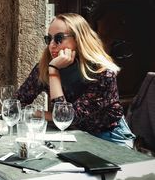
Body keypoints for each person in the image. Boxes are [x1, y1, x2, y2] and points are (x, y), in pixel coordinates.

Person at [15, 13, 135, 148]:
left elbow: (65, 118)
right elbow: (16, 104)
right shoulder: (45, 66)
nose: (52, 45)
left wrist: (54, 72)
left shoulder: (103, 73)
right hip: (70, 135)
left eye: (59, 38)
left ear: (78, 39)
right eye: (49, 39)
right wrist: (48, 115)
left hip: (108, 137)